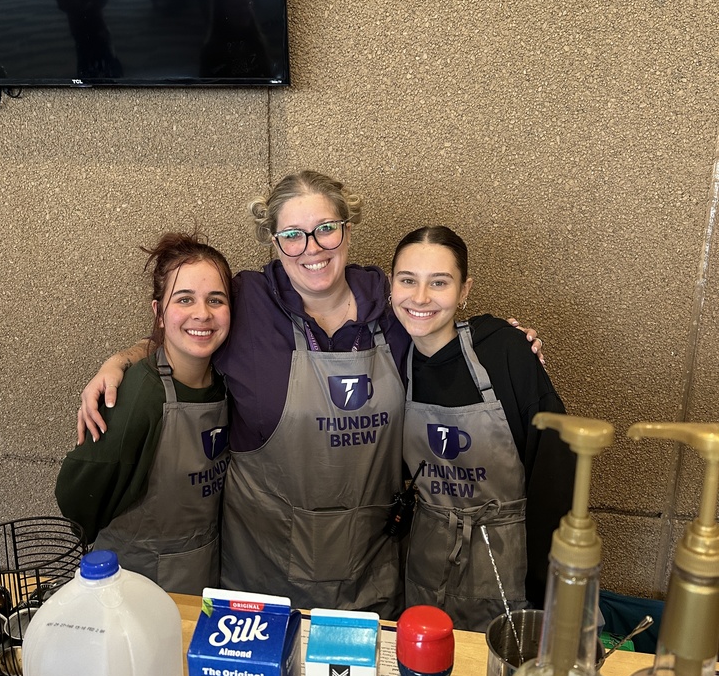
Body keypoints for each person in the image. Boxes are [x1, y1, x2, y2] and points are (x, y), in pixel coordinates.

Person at [76, 172, 544, 618]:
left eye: (326, 229)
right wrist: (124, 358)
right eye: (293, 235)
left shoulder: (395, 306)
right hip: (261, 583)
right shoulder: (249, 303)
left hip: (371, 577)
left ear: (347, 229)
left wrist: (510, 347)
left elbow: (446, 330)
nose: (312, 249)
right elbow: (191, 329)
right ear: (274, 241)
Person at [390, 225, 574, 631]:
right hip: (424, 563)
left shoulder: (505, 351)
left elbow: (555, 475)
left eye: (439, 282)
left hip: (507, 565)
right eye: (408, 281)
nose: (420, 298)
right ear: (391, 285)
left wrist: (551, 593)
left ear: (464, 290)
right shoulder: (390, 359)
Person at [56, 232, 231, 594]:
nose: (202, 313)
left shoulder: (228, 378)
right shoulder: (137, 395)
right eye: (185, 299)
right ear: (159, 312)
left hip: (206, 571)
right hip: (137, 584)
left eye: (216, 299)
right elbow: (77, 495)